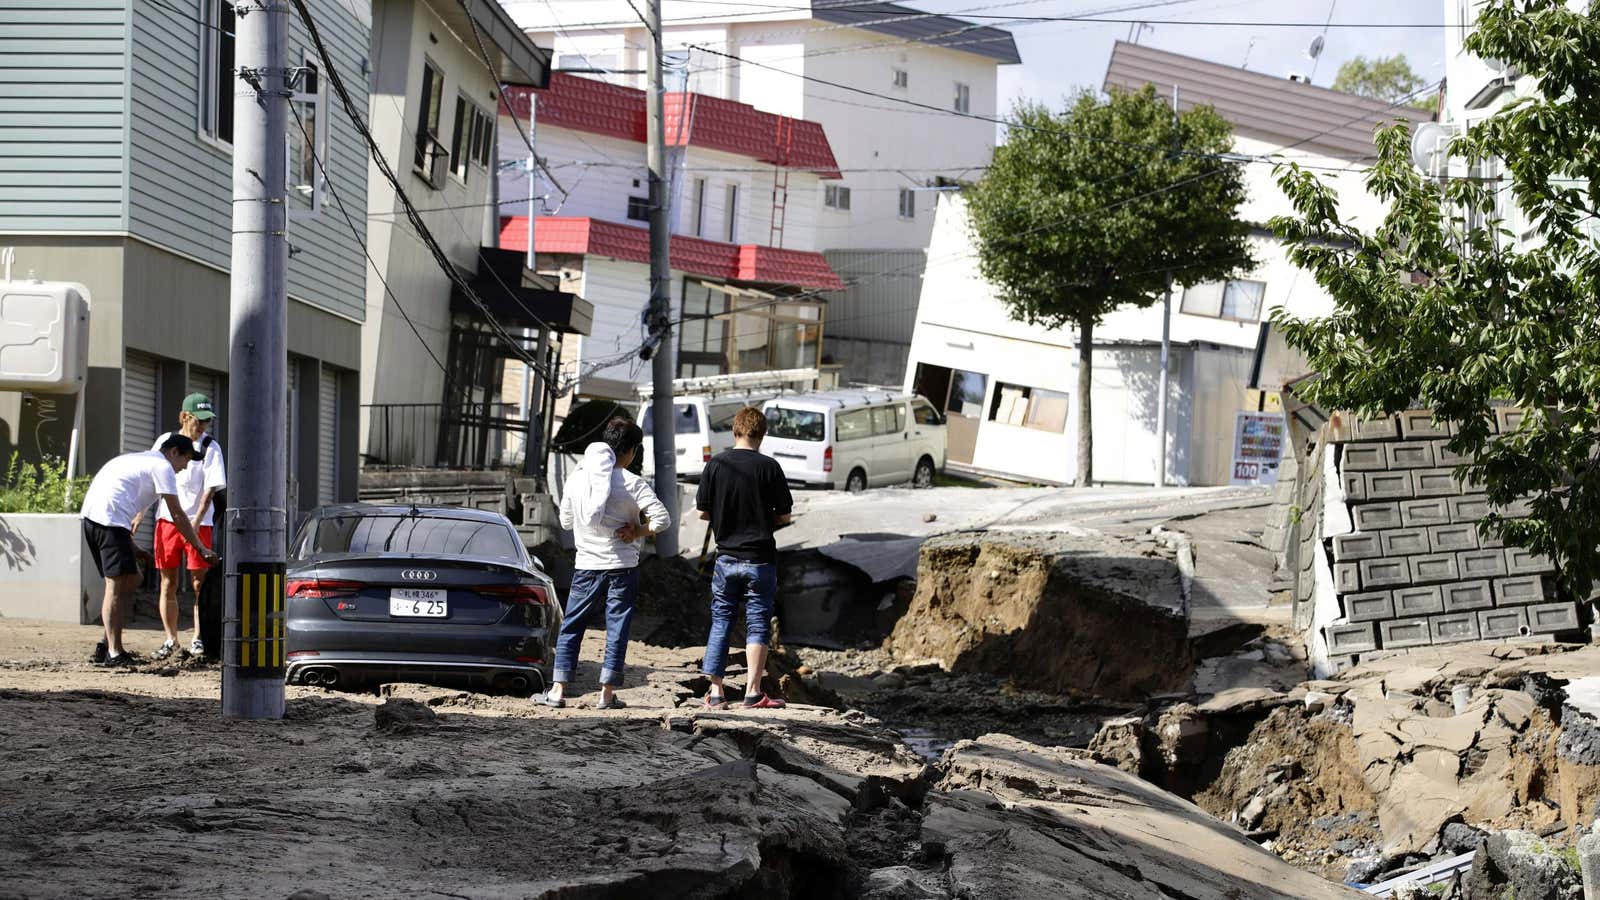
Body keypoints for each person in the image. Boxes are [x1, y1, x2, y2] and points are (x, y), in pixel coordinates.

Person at [541, 417, 670, 710]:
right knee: (617, 628)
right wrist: (636, 531)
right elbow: (663, 520)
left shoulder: (576, 479)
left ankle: (558, 690)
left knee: (572, 624)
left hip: (586, 565)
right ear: (631, 451)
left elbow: (565, 521)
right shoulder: (632, 483)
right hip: (622, 567)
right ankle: (606, 695)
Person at [80, 434, 218, 667]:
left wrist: (133, 548)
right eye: (184, 460)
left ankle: (108, 644)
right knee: (116, 585)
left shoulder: (139, 461)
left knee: (133, 578)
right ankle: (113, 652)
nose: (183, 468)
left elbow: (120, 501)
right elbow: (177, 514)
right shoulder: (162, 466)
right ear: (173, 452)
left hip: (94, 519)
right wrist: (200, 547)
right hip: (109, 522)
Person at [695, 407, 793, 710]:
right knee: (757, 623)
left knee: (722, 619)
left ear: (735, 431)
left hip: (725, 558)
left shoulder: (715, 465)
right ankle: (752, 691)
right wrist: (765, 521)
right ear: (761, 435)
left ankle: (716, 693)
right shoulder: (770, 467)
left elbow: (703, 512)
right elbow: (785, 515)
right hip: (760, 559)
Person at [132, 393, 226, 659]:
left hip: (200, 522)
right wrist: (140, 513)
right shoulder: (165, 442)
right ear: (185, 417)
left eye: (208, 422)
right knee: (167, 582)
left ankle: (198, 638)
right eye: (200, 421)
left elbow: (210, 489)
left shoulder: (211, 448)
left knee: (200, 583)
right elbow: (151, 478)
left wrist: (195, 522)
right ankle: (171, 639)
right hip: (167, 521)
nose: (204, 427)